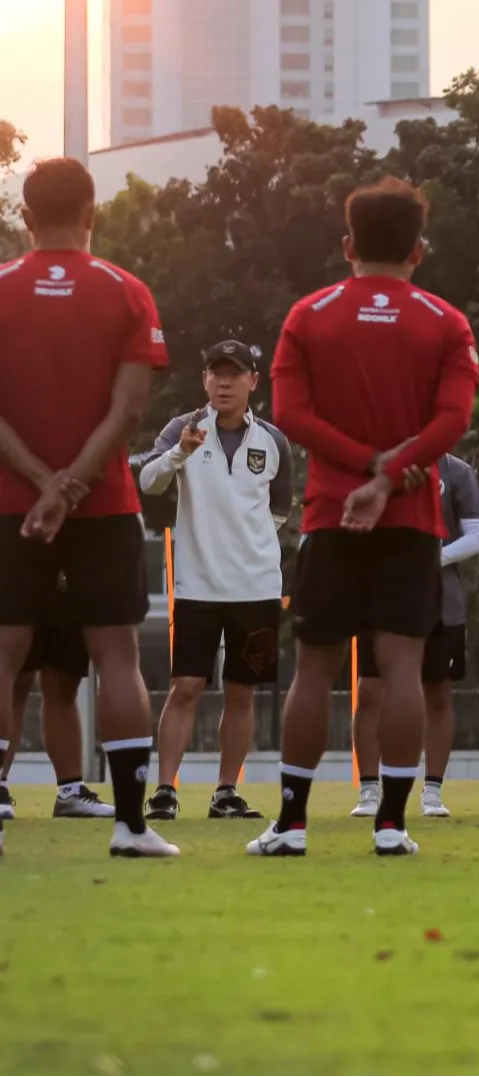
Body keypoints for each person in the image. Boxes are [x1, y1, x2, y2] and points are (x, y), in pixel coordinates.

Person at [247, 177, 479, 858]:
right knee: (402, 668)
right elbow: (454, 420)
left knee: (314, 669)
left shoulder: (309, 313)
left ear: (348, 245)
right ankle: (393, 824)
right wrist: (391, 474)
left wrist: (363, 466)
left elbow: (290, 414)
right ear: (420, 249)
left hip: (329, 515)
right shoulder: (445, 321)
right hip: (410, 518)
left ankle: (291, 822)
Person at [0, 156, 177, 858]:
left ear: (24, 215)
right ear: (92, 212)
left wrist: (43, 484)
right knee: (115, 651)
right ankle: (131, 825)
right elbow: (129, 408)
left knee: (5, 647)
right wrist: (72, 484)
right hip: (102, 503)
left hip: (9, 503)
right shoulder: (126, 291)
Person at [139, 339, 293, 820]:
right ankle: (165, 790)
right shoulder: (182, 429)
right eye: (215, 373)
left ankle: (226, 792)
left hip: (258, 587)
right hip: (197, 585)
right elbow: (148, 481)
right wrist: (179, 455)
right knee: (185, 687)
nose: (224, 382)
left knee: (241, 691)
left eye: (235, 373)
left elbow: (281, 512)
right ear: (204, 380)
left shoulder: (273, 440)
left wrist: (246, 545)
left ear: (253, 380)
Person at [351, 453, 479, 819]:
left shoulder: (456, 472)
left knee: (437, 693)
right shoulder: (376, 465)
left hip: (440, 602)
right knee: (370, 692)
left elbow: (478, 537)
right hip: (381, 596)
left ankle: (432, 792)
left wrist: (428, 558)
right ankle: (368, 791)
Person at [0, 582, 114, 819]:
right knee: (15, 680)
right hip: (19, 572)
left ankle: (70, 792)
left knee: (63, 683)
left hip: (69, 581)